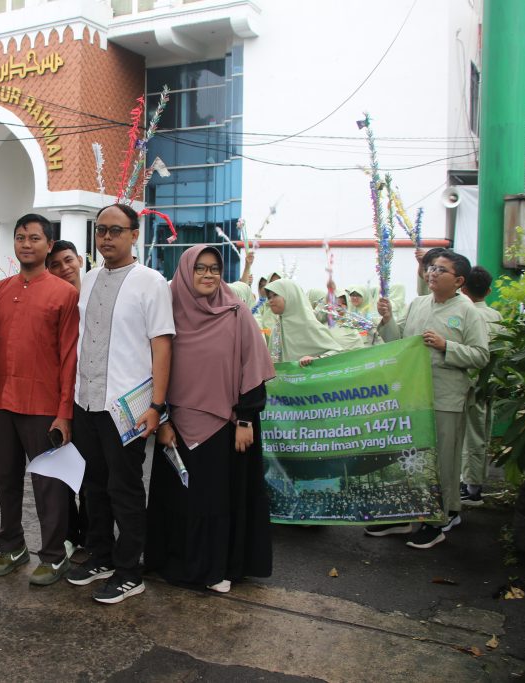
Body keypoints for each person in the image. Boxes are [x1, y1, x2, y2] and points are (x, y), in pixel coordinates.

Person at [146, 245, 275, 593]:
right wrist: (162, 420)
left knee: (215, 500)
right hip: (175, 425)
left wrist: (246, 420)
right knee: (180, 499)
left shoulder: (236, 313)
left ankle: (217, 567)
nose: (208, 275)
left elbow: (253, 369)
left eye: (214, 269)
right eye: (200, 268)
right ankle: (176, 562)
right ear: (185, 271)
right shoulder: (167, 313)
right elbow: (153, 368)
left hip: (225, 426)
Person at [66, 203, 174, 604]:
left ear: (134, 234)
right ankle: (102, 556)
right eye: (101, 230)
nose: (107, 237)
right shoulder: (90, 278)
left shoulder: (151, 282)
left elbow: (162, 347)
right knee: (93, 487)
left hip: (125, 408)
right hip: (86, 402)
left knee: (124, 489)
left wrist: (157, 406)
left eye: (115, 230)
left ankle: (130, 572)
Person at [0, 215, 80, 586]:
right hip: (4, 402)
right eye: (20, 237)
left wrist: (64, 413)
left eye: (34, 238)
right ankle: (12, 546)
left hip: (45, 406)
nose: (26, 244)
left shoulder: (64, 294)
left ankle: (53, 556)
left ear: (48, 245)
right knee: (5, 479)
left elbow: (69, 358)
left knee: (48, 485)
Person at [371, 251, 489, 549]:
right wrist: (388, 319)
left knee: (441, 461)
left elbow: (480, 355)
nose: (432, 273)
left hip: (446, 397)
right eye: (431, 268)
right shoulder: (418, 304)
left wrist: (446, 345)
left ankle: (435, 523)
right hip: (412, 395)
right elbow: (399, 342)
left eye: (441, 270)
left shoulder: (467, 311)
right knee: (407, 457)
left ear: (458, 281)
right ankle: (402, 515)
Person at [46, 238, 88, 549]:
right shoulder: (51, 303)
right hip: (58, 397)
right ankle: (70, 534)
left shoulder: (95, 296)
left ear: (80, 260)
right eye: (55, 265)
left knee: (92, 473)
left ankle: (93, 534)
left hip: (92, 398)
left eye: (68, 260)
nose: (64, 268)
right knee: (62, 471)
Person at [459, 265, 503, 507]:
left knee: (471, 435)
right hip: (490, 382)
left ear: (462, 288)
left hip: (470, 382)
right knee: (482, 432)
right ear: (488, 291)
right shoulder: (495, 316)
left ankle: (471, 488)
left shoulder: (468, 315)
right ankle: (473, 483)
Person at [263, 279, 343, 366]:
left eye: (275, 295)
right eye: (269, 297)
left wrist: (316, 359)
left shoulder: (309, 324)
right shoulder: (277, 330)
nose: (270, 300)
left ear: (291, 296)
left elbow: (338, 352)